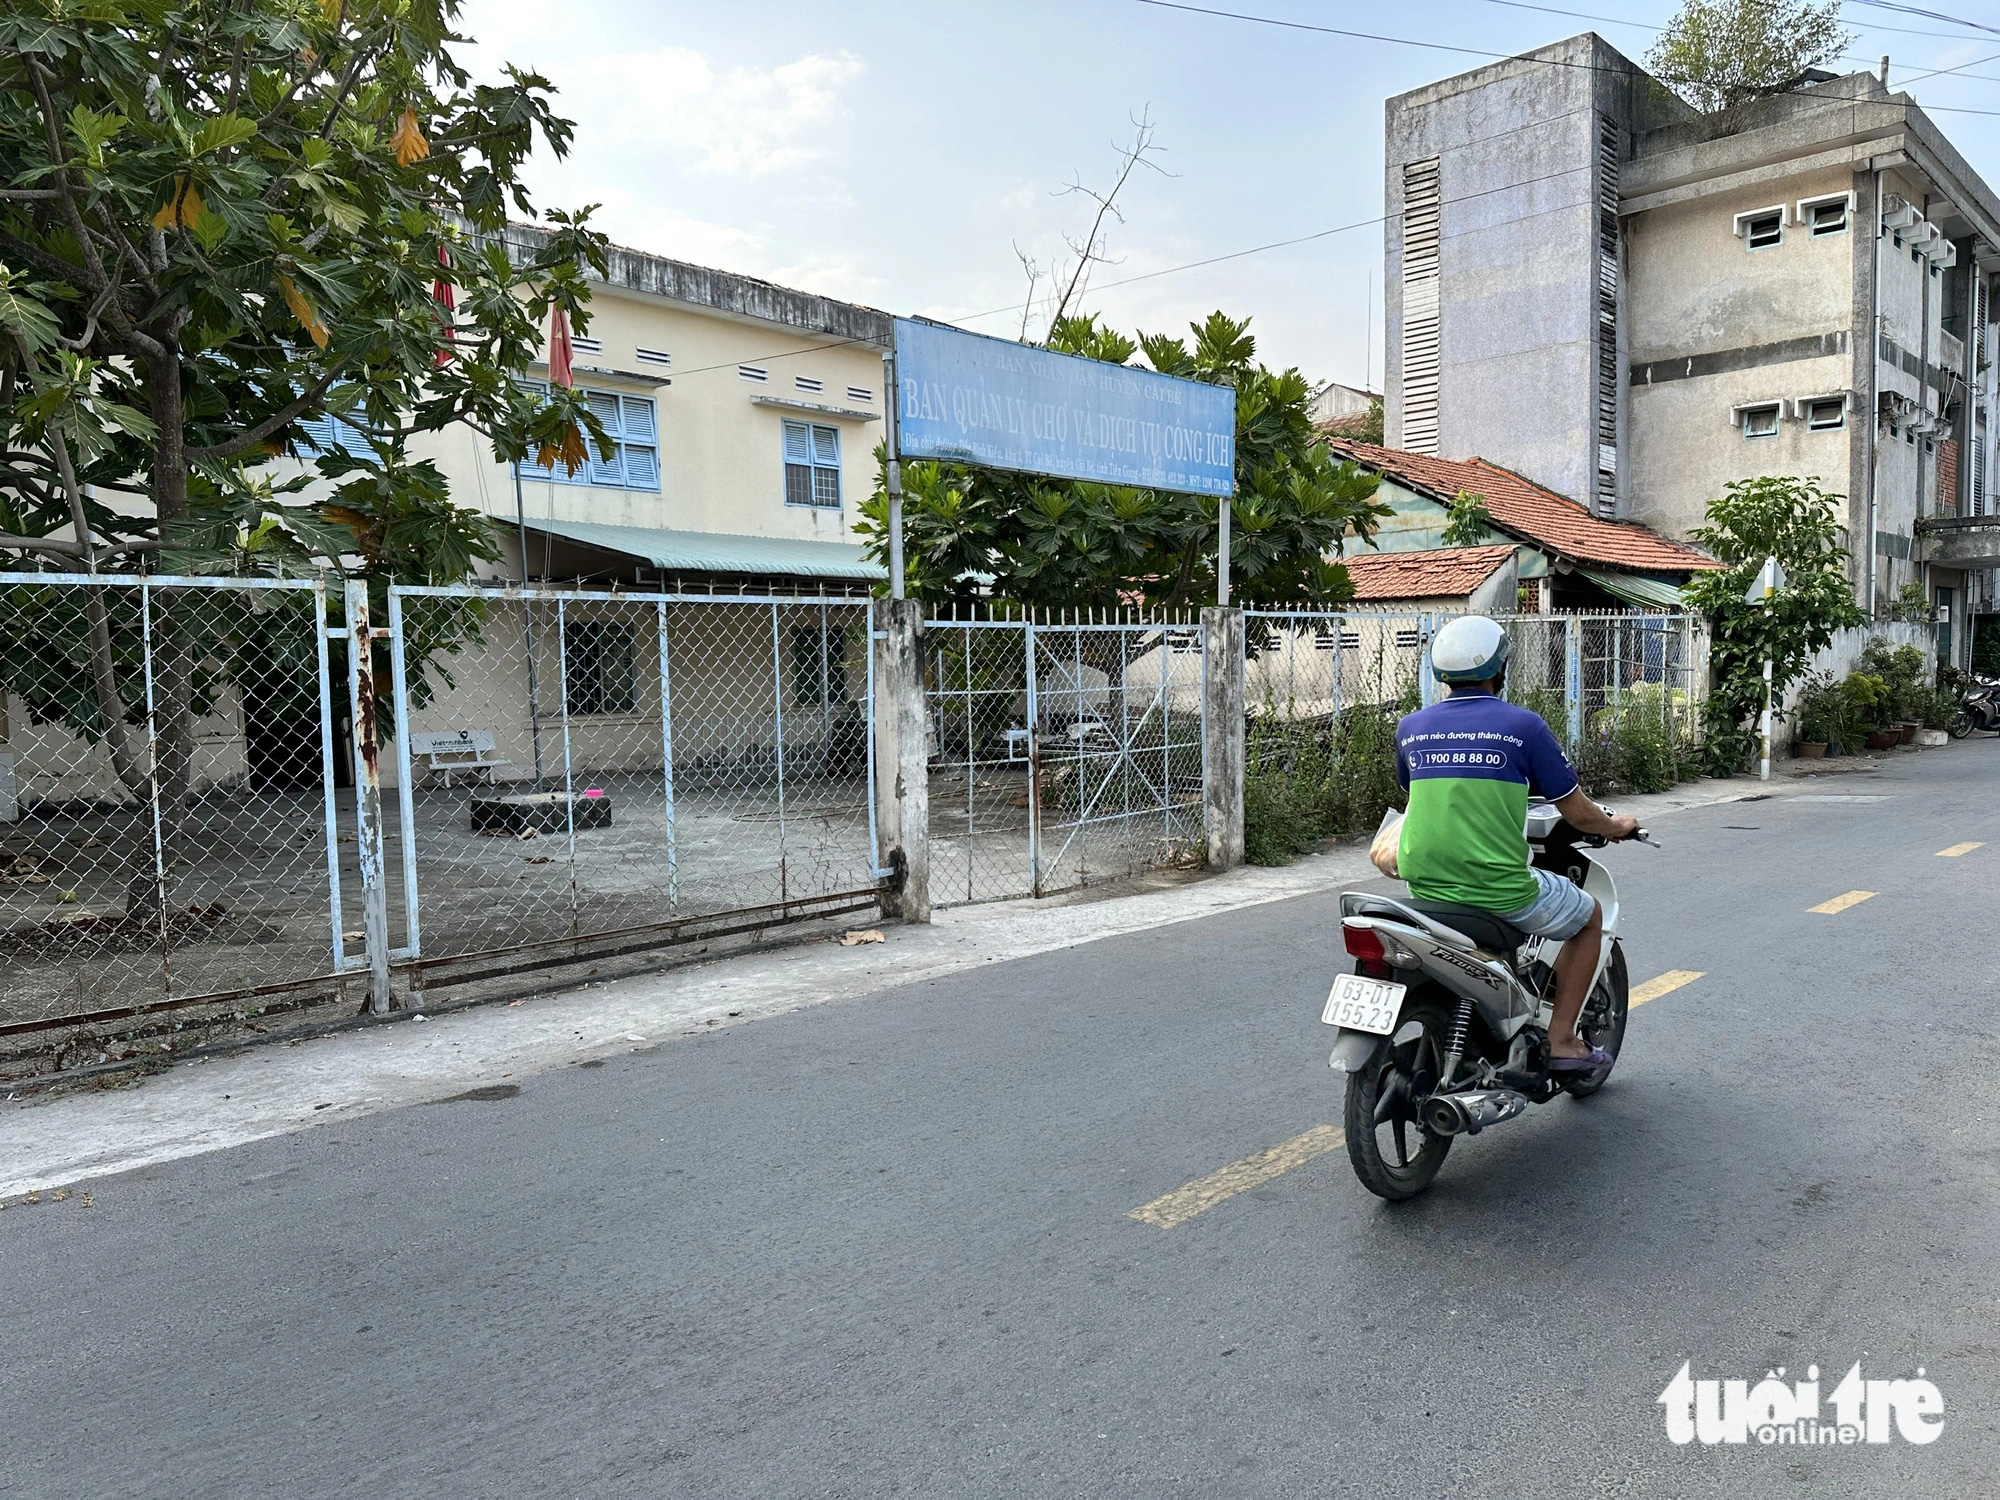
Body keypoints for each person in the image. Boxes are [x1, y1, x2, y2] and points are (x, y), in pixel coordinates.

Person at [1393, 615, 1638, 1068]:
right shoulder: (1523, 726)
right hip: (1497, 888)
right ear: (1499, 668)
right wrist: (1616, 825)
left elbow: (1424, 796)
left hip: (1422, 884)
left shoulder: (1411, 727)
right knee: (1590, 918)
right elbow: (1578, 811)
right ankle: (1562, 1039)